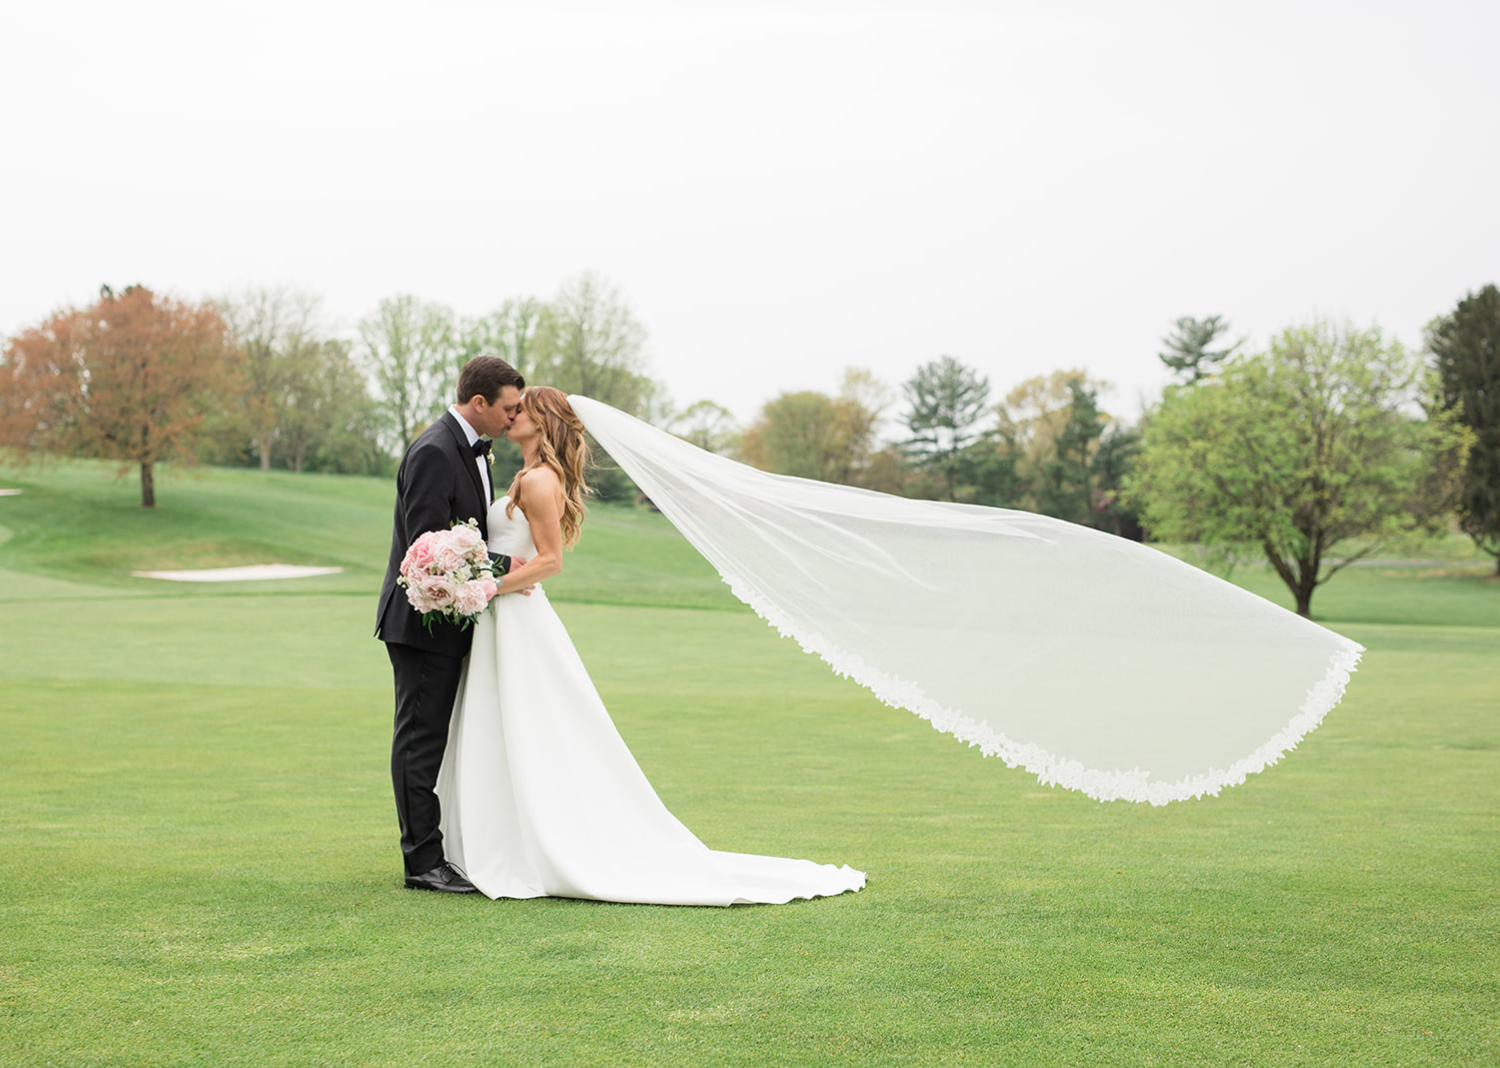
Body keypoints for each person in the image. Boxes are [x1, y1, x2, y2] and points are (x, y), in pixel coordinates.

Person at [436, 387, 866, 904]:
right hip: (502, 617)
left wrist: (481, 587)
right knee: (502, 722)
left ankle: (526, 841)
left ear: (543, 420)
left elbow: (550, 562)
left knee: (530, 724)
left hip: (513, 615)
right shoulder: (526, 476)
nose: (512, 416)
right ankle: (496, 834)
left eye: (522, 409)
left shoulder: (540, 481)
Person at [375, 356, 527, 893]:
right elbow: (431, 548)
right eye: (508, 409)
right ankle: (422, 861)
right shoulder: (436, 450)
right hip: (423, 624)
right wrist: (512, 568)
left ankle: (443, 847)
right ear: (479, 402)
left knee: (435, 738)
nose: (514, 418)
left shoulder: (473, 451)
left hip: (454, 621)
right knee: (420, 739)